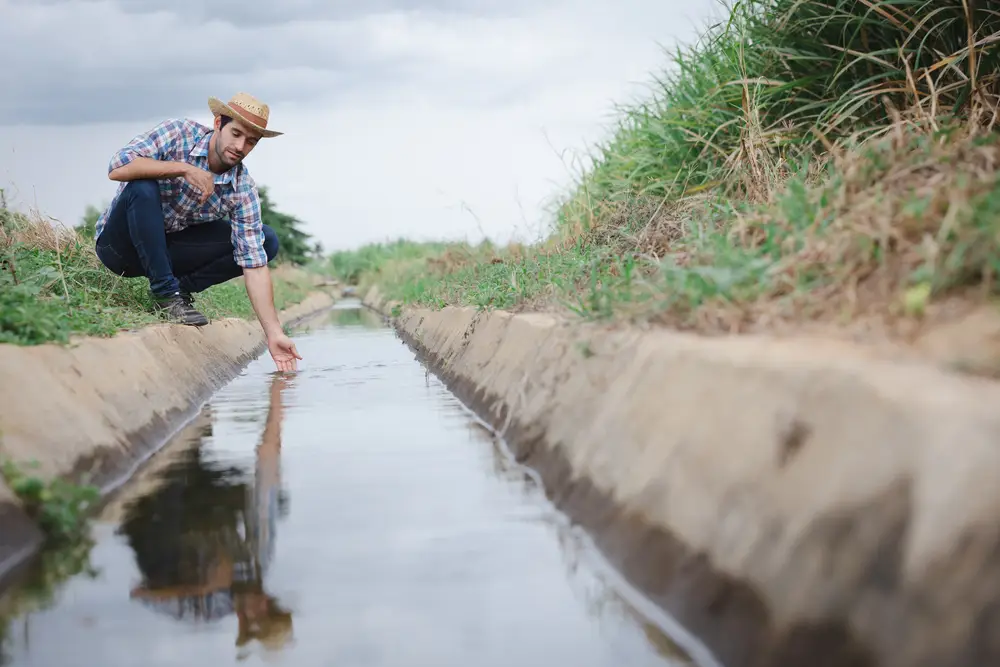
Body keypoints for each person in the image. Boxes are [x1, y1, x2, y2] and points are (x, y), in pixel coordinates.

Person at [93, 92, 302, 371]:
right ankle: (166, 295)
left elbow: (253, 263)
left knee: (267, 241)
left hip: (167, 251)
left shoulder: (242, 188)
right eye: (236, 134)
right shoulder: (178, 133)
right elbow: (118, 167)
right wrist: (182, 169)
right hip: (120, 249)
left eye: (250, 142)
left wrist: (274, 333)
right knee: (142, 187)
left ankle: (179, 291)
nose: (240, 146)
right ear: (218, 123)